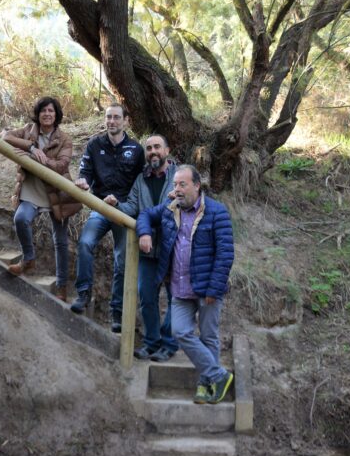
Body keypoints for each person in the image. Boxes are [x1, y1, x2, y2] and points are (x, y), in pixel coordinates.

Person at [136, 165, 235, 404]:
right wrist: (144, 233)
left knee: (209, 337)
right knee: (179, 331)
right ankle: (219, 375)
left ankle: (205, 385)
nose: (177, 189)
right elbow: (145, 214)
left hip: (207, 288)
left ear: (197, 186)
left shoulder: (217, 212)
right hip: (180, 288)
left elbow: (225, 254)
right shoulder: (170, 209)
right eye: (175, 185)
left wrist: (214, 289)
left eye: (183, 184)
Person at [70, 103, 145, 332]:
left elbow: (141, 183)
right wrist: (83, 181)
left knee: (122, 260)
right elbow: (85, 172)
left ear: (125, 121)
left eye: (116, 117)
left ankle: (117, 312)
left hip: (124, 212)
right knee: (85, 243)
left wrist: (126, 205)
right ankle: (83, 294)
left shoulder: (136, 149)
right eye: (108, 117)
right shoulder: (95, 145)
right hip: (100, 207)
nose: (112, 121)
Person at [2, 97, 82, 300]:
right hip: (31, 190)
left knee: (60, 241)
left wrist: (36, 160)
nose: (47, 114)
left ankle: (62, 287)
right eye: (43, 110)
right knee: (21, 218)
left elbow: (61, 166)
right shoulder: (28, 130)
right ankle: (28, 259)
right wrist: (31, 148)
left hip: (56, 191)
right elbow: (5, 136)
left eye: (51, 111)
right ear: (38, 114)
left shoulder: (64, 139)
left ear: (56, 115)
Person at [117, 134, 178, 362]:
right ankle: (152, 342)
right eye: (149, 148)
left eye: (157, 147)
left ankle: (169, 344)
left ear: (167, 151)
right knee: (146, 295)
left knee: (176, 298)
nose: (153, 151)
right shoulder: (140, 180)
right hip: (148, 249)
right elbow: (132, 206)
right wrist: (116, 204)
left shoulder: (179, 176)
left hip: (174, 248)